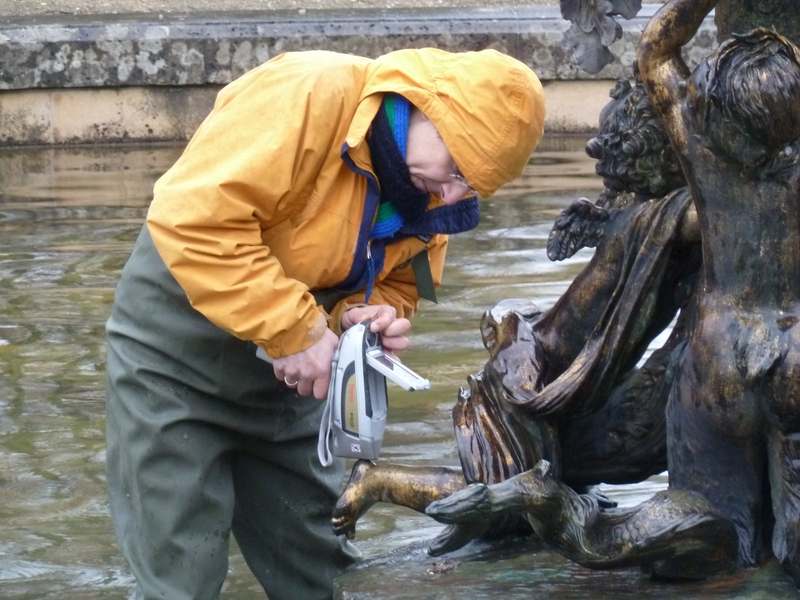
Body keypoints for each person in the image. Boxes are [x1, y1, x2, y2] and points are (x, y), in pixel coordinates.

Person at [104, 47, 545, 599]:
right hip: (173, 362)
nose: (452, 194)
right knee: (179, 576)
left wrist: (369, 315)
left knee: (324, 570)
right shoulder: (309, 93)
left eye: (474, 186)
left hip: (292, 380)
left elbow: (400, 287)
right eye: (456, 168)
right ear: (426, 108)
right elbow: (190, 221)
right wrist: (298, 332)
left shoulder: (432, 197)